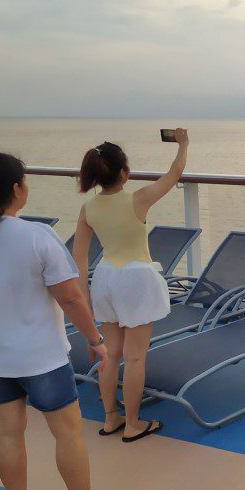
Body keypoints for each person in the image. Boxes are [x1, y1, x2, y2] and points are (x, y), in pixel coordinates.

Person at [0, 153, 129, 490]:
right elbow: (71, 297)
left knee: (8, 433)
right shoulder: (36, 237)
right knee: (67, 432)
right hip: (40, 357)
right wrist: (96, 340)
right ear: (16, 189)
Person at [75, 130, 189, 442]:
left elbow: (80, 259)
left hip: (106, 277)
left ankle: (111, 418)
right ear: (124, 173)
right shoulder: (138, 198)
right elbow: (175, 173)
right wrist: (183, 143)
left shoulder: (89, 209)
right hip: (136, 278)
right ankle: (134, 423)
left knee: (112, 354)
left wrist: (84, 300)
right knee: (135, 357)